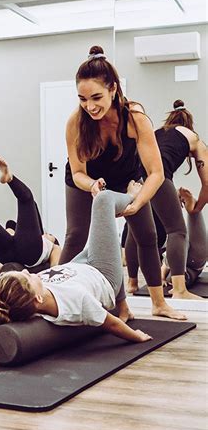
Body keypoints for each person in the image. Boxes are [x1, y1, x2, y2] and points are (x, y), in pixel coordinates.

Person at [59, 45, 184, 320]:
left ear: (113, 89)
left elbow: (156, 173)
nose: (89, 106)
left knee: (148, 237)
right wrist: (91, 185)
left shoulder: (135, 118)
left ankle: (159, 304)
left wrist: (138, 201)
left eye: (96, 97)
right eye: (82, 99)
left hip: (128, 179)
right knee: (76, 235)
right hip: (84, 181)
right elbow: (78, 172)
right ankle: (53, 293)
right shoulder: (76, 123)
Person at [0, 182, 181, 340]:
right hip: (103, 274)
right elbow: (110, 323)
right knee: (103, 200)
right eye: (26, 277)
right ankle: (133, 195)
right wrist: (136, 337)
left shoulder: (30, 297)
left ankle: (125, 308)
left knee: (104, 226)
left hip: (82, 266)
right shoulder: (75, 300)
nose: (27, 272)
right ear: (37, 298)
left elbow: (9, 303)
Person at [125, 100, 207, 298]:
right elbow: (207, 183)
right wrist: (196, 208)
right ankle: (179, 289)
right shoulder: (193, 138)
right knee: (177, 230)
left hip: (135, 175)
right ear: (188, 124)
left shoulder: (156, 132)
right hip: (156, 173)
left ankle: (132, 283)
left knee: (137, 229)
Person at [0, 157, 61, 287]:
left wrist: (51, 273)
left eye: (51, 236)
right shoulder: (35, 235)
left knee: (28, 200)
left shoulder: (52, 246)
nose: (49, 236)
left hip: (30, 254)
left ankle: (10, 178)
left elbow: (55, 263)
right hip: (10, 253)